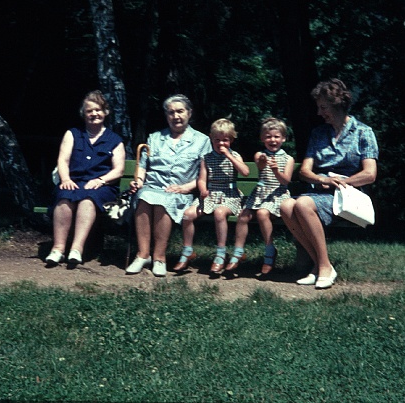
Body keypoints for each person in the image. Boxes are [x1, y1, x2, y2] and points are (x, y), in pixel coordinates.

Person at [280, 79, 378, 289]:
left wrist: (340, 182)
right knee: (286, 205)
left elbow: (369, 174)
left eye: (323, 107)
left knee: (303, 204)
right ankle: (319, 265)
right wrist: (322, 179)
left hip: (347, 195)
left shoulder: (363, 132)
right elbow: (305, 171)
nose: (319, 112)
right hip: (319, 192)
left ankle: (324, 266)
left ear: (337, 104)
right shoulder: (319, 134)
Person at [126, 94, 211, 277]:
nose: (176, 116)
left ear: (189, 113)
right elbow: (143, 166)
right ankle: (142, 255)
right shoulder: (155, 137)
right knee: (143, 197)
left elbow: (206, 173)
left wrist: (188, 187)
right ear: (167, 116)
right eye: (171, 112)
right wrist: (138, 181)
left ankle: (159, 257)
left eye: (180, 111)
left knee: (163, 201)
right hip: (152, 187)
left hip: (180, 191)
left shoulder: (202, 141)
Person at [44, 91, 126, 268]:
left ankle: (76, 249)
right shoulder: (72, 134)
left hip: (102, 187)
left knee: (88, 199)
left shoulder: (115, 140)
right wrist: (65, 178)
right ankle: (57, 249)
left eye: (98, 110)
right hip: (74, 181)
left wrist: (101, 180)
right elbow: (63, 160)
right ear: (84, 114)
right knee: (64, 196)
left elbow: (118, 170)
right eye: (90, 111)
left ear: (105, 112)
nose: (94, 114)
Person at [176, 118, 250, 274]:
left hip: (230, 196)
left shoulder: (235, 155)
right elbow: (202, 179)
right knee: (188, 215)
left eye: (225, 140)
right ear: (211, 138)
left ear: (232, 140)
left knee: (220, 213)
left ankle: (221, 253)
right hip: (211, 195)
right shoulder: (207, 158)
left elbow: (245, 172)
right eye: (217, 140)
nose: (221, 144)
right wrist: (203, 189)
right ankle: (188, 251)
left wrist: (229, 156)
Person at [230, 117, 295, 275]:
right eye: (268, 137)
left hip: (277, 195)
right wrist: (263, 162)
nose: (272, 140)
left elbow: (285, 181)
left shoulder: (288, 159)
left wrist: (276, 170)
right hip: (260, 194)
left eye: (276, 136)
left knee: (262, 213)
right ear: (262, 138)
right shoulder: (260, 154)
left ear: (283, 138)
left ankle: (269, 250)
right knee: (243, 215)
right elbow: (259, 164)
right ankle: (238, 252)